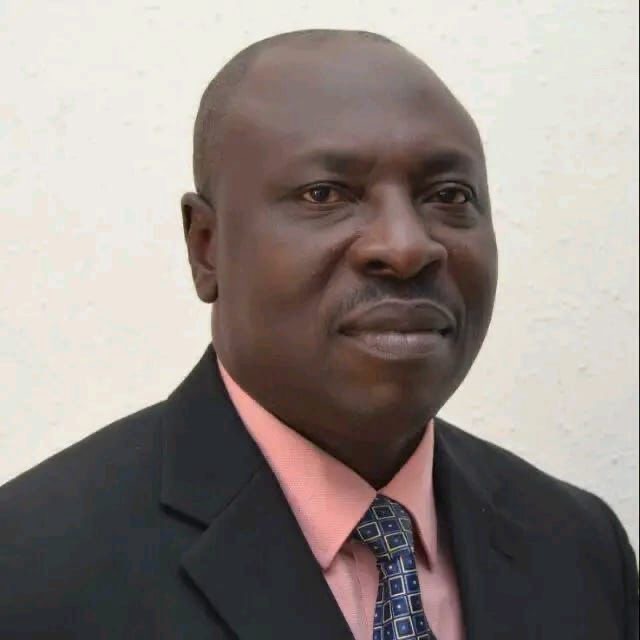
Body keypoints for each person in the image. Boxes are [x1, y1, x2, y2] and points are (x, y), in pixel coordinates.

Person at [0, 29, 637, 640]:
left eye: (448, 195)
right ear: (207, 247)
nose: (406, 247)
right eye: (324, 194)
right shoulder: (30, 571)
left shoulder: (580, 550)